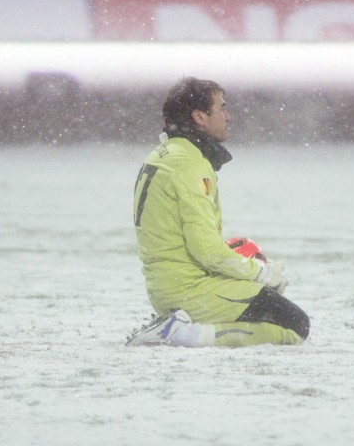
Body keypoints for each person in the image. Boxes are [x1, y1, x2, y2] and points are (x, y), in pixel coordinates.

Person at [125, 77, 309, 347]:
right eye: (221, 108)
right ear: (199, 116)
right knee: (295, 325)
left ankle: (176, 324)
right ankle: (183, 334)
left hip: (168, 285)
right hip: (190, 290)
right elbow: (207, 251)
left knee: (267, 308)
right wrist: (262, 273)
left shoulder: (162, 155)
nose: (228, 116)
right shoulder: (190, 164)